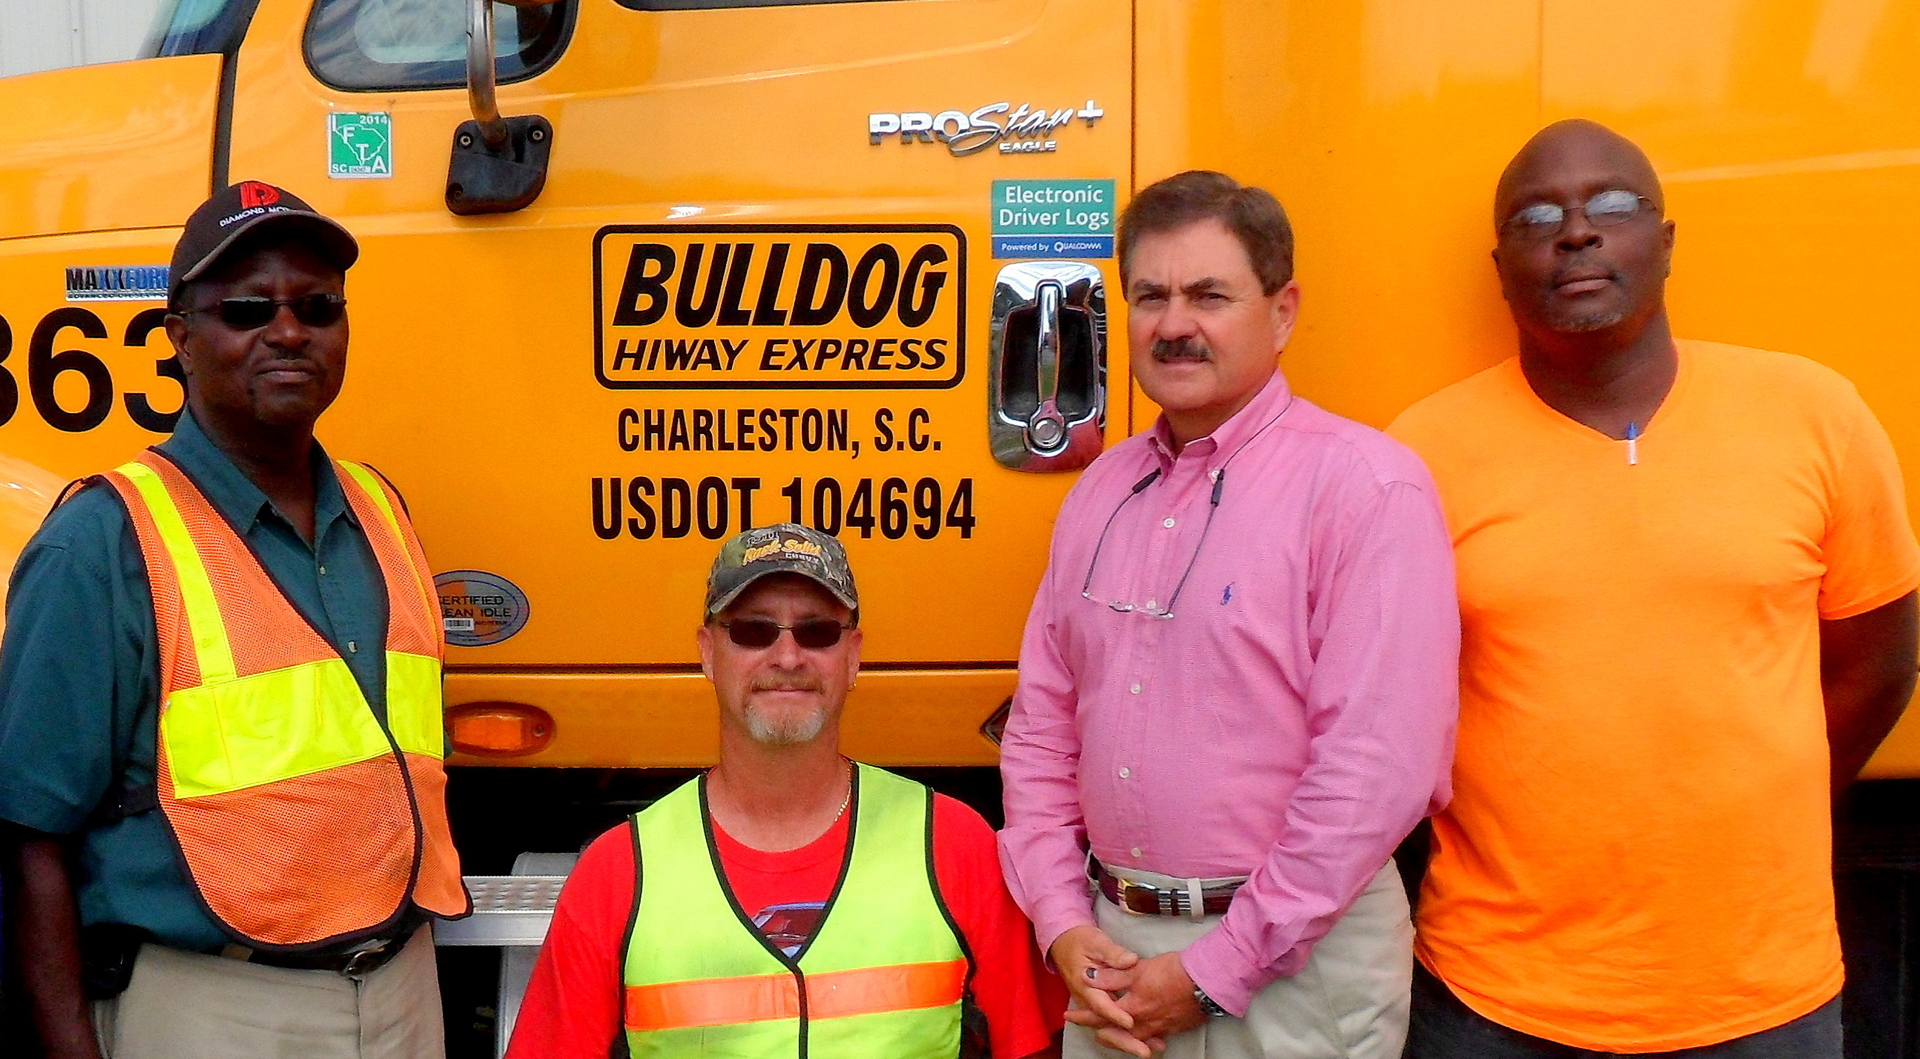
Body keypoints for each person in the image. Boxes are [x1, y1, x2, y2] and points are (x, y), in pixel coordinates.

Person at [1389, 120, 1920, 1057]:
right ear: (1502, 265)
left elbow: (1880, 665)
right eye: (1538, 216)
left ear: (1666, 243)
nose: (1578, 232)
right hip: (1493, 998)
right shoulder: (1421, 456)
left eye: (1616, 206)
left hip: (1763, 994)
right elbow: (1390, 709)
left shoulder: (1816, 415)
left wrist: (1769, 806)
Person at [0, 181, 470, 1059]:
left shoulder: (380, 511)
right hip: (213, 1011)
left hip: (404, 997)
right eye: (247, 308)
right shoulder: (102, 544)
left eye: (317, 306)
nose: (288, 331)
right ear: (179, 338)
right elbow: (29, 837)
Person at [997, 170, 1460, 1059]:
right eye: (1150, 296)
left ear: (1282, 312)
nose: (1174, 325)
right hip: (1112, 960)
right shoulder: (1099, 492)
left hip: (1299, 964)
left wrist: (1217, 968)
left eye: (1210, 294)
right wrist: (1061, 923)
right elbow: (1041, 731)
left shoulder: (1365, 487)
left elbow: (1375, 768)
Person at [504, 522, 1065, 1058]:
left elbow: (1034, 1048)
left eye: (818, 631)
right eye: (753, 630)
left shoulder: (955, 844)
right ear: (707, 652)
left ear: (853, 655)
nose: (788, 656)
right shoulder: (618, 872)